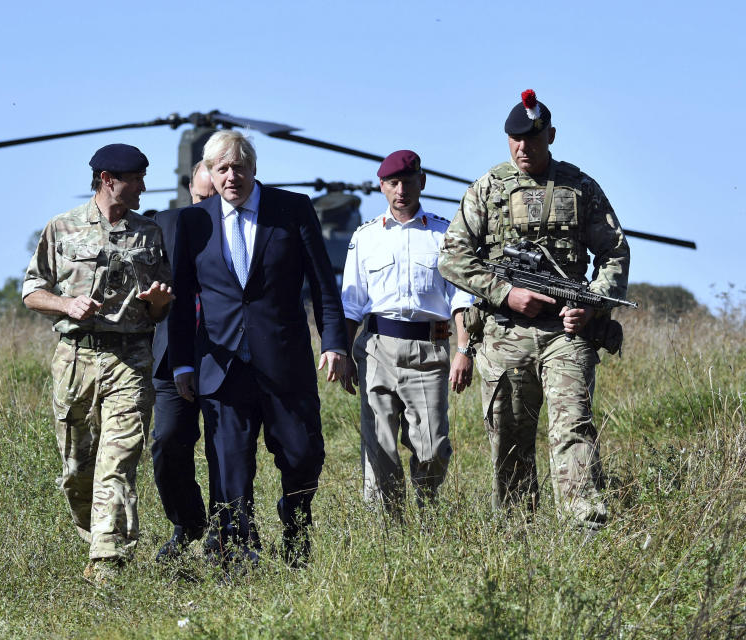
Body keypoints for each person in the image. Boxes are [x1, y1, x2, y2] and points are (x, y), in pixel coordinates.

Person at [438, 90, 630, 533]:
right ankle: (517, 535)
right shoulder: (488, 189)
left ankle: (585, 527)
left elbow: (615, 254)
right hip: (506, 335)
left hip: (567, 334)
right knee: (509, 439)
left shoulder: (580, 187)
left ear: (552, 136)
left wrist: (590, 302)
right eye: (515, 140)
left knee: (573, 429)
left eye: (533, 138)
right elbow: (452, 256)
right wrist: (505, 293)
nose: (523, 148)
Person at [168, 130, 353, 567]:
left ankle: (296, 518)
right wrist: (180, 364)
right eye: (221, 169)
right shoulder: (194, 223)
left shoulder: (292, 210)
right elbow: (180, 303)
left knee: (303, 454)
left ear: (253, 168)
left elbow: (325, 284)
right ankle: (236, 551)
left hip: (285, 359)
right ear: (209, 174)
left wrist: (334, 342)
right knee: (229, 465)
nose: (231, 176)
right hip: (221, 366)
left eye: (238, 167)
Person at [22, 143, 174, 584]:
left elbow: (160, 309)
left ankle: (108, 563)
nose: (143, 187)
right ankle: (96, 540)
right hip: (75, 360)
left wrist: (159, 305)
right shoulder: (62, 227)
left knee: (119, 461)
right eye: (136, 179)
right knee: (77, 470)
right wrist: (66, 304)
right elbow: (32, 291)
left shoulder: (150, 233)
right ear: (108, 180)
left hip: (130, 359)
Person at [341, 150, 474, 518]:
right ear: (382, 187)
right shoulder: (365, 237)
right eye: (392, 183)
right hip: (376, 348)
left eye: (408, 181)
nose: (401, 190)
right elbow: (351, 303)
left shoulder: (444, 234)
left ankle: (428, 512)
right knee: (379, 448)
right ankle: (390, 532)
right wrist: (343, 353)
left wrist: (464, 350)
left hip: (429, 348)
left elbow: (461, 296)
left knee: (433, 447)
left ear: (422, 182)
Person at [150, 161, 221, 561]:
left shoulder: (237, 231)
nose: (204, 207)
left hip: (221, 354)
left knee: (223, 447)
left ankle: (224, 529)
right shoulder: (164, 224)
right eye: (199, 197)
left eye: (212, 200)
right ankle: (188, 521)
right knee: (167, 443)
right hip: (169, 356)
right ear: (188, 191)